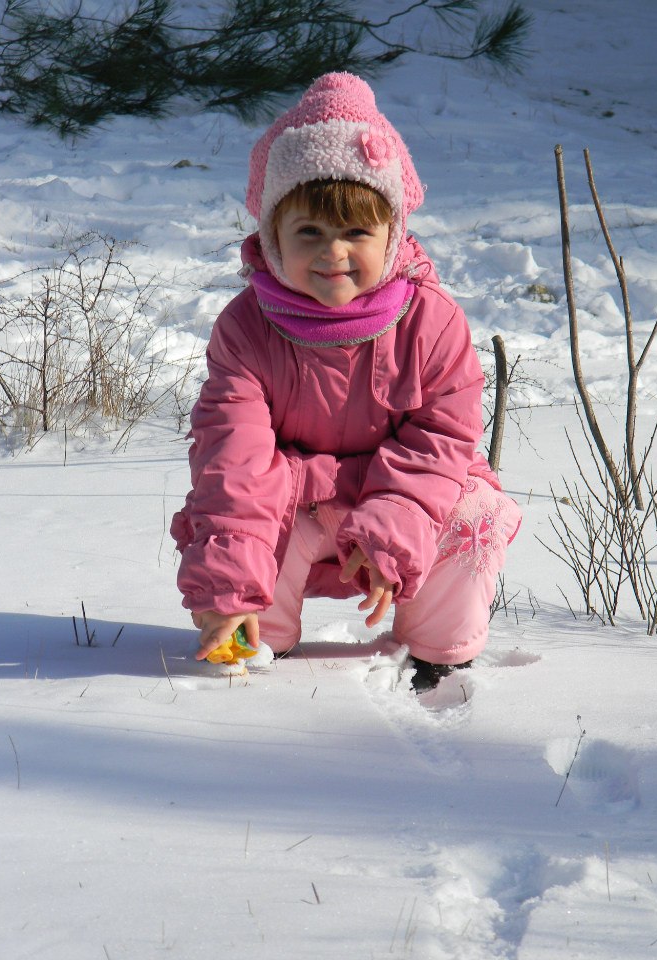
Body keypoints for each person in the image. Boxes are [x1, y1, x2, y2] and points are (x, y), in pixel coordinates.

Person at [171, 72, 521, 691]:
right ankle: (254, 633)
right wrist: (226, 587)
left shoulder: (432, 323)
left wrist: (390, 532)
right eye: (310, 232)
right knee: (249, 555)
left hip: (403, 500)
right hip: (296, 503)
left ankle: (438, 652)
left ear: (392, 235)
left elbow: (441, 441)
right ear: (273, 237)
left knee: (475, 510)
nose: (333, 252)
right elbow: (234, 461)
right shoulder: (246, 328)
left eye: (357, 232)